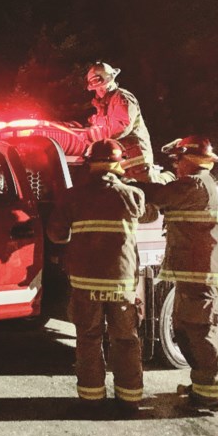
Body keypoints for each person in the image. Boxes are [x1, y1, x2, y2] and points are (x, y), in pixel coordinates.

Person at [47, 139, 157, 415]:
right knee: (126, 340)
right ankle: (130, 399)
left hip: (85, 282)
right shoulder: (133, 195)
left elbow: (56, 234)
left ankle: (91, 399)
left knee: (88, 339)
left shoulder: (73, 197)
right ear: (118, 164)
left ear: (89, 163)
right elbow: (150, 214)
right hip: (121, 284)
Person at [137, 136, 218, 411]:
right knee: (186, 330)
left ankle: (212, 394)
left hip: (201, 274)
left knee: (200, 332)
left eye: (177, 160)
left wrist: (124, 183)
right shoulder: (197, 183)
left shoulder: (194, 184)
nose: (175, 166)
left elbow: (158, 196)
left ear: (189, 159)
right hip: (193, 272)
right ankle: (202, 386)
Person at [83, 61, 163, 183]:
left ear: (111, 81)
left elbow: (121, 127)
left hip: (136, 159)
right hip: (121, 158)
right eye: (97, 88)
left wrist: (93, 136)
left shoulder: (122, 98)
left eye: (103, 85)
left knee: (146, 193)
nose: (100, 90)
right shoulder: (105, 103)